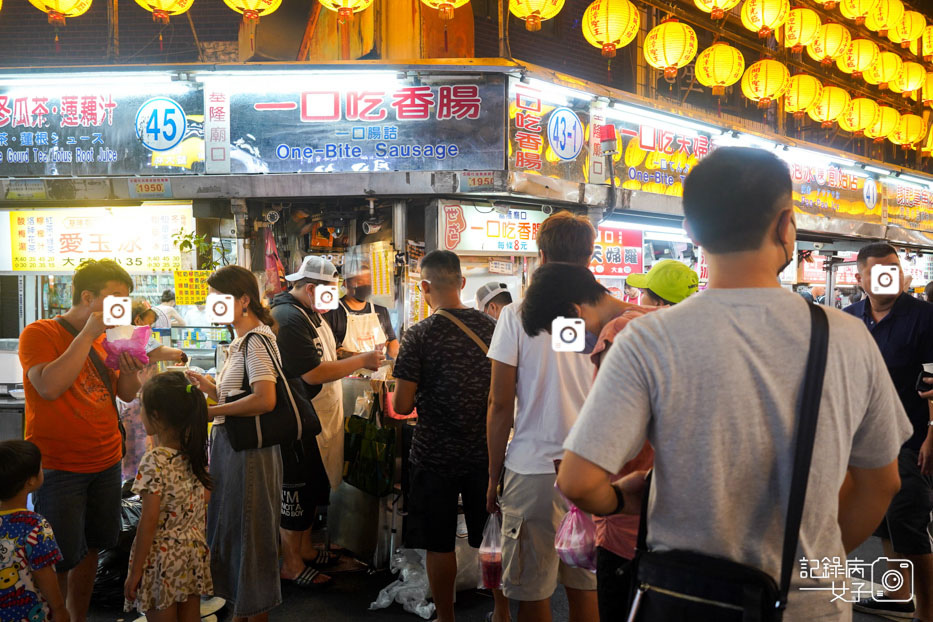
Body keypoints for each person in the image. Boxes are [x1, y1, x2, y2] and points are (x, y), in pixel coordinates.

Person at [556, 147, 911, 621]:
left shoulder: (646, 338)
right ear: (786, 223)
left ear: (690, 230)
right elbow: (881, 482)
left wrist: (625, 495)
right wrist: (810, 560)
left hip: (685, 600)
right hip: (807, 606)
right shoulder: (846, 335)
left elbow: (578, 482)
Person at [519, 259, 697, 621]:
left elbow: (591, 469)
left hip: (631, 530)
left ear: (573, 311)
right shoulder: (667, 322)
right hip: (681, 526)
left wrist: (608, 496)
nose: (564, 341)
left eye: (560, 329)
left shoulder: (620, 336)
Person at [486, 210, 599, 622]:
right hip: (593, 472)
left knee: (532, 592)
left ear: (541, 255)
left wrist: (493, 474)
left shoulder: (515, 317)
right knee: (587, 590)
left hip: (532, 471)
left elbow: (500, 405)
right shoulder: (606, 315)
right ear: (590, 256)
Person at [19, 258, 145, 622]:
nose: (122, 305)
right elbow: (49, 386)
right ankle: (55, 615)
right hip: (59, 465)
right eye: (115, 297)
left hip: (106, 461)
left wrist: (135, 369)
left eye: (126, 298)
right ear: (87, 296)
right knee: (56, 555)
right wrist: (88, 334)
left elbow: (125, 392)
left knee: (93, 548)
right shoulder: (40, 333)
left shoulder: (110, 338)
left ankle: (78, 616)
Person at [392, 251, 497, 622]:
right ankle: (501, 610)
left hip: (433, 456)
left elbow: (402, 405)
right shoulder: (492, 328)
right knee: (490, 539)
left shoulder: (418, 335)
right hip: (485, 454)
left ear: (424, 288)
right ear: (462, 283)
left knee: (438, 543)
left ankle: (447, 617)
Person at [270, 256, 385, 588]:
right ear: (310, 288)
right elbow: (313, 372)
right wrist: (362, 360)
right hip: (297, 420)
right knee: (296, 492)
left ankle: (305, 549)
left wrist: (354, 358)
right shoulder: (289, 318)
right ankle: (290, 563)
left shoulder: (308, 313)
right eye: (327, 294)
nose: (331, 302)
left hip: (317, 416)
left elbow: (327, 355)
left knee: (311, 489)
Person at [184, 265, 283, 622]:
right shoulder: (244, 340)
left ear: (243, 301)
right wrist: (211, 390)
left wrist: (212, 411)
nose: (212, 304)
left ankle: (252, 613)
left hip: (248, 453)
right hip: (235, 448)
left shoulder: (255, 339)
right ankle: (241, 612)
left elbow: (265, 399)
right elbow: (246, 394)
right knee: (237, 533)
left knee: (250, 537)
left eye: (218, 298)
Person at [844, 242, 933, 622]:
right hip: (866, 441)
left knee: (909, 521)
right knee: (883, 519)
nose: (888, 276)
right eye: (880, 270)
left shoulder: (925, 317)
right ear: (859, 277)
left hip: (913, 438)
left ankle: (927, 612)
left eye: (894, 268)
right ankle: (899, 594)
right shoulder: (848, 320)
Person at [123, 372, 212, 622]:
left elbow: (149, 521)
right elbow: (204, 500)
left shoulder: (154, 460)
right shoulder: (195, 456)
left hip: (161, 557)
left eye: (142, 408)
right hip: (192, 551)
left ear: (157, 415)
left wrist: (135, 570)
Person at [119, 300, 188, 482]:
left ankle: (135, 488)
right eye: (148, 322)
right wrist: (179, 354)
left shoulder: (124, 333)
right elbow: (155, 352)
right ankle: (141, 490)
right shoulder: (134, 335)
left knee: (134, 449)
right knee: (141, 448)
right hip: (137, 401)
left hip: (136, 400)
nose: (150, 326)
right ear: (138, 319)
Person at [0, 440, 67, 622]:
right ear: (30, 481)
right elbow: (44, 573)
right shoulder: (34, 526)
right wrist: (60, 609)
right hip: (28, 614)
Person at [325, 269, 399, 359]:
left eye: (368, 281)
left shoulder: (380, 308)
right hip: (348, 371)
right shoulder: (333, 311)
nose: (365, 285)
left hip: (380, 370)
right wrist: (365, 359)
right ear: (345, 283)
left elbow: (391, 340)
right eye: (359, 281)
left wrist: (399, 351)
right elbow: (334, 350)